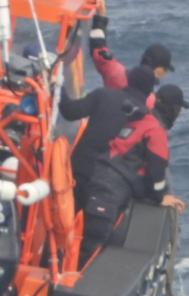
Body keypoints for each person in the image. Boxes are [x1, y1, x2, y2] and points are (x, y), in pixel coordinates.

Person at [77, 83, 186, 265]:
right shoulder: (156, 130)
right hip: (110, 189)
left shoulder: (142, 120)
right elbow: (157, 169)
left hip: (99, 176)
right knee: (94, 243)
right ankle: (69, 288)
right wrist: (160, 197)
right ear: (173, 109)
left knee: (89, 235)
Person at [58, 64, 158, 200]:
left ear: (128, 80)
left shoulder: (103, 94)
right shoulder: (148, 121)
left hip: (79, 169)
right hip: (109, 185)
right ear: (150, 91)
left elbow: (69, 112)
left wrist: (57, 84)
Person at [88, 0, 172, 106]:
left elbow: (97, 48)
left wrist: (101, 17)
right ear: (160, 70)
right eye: (165, 70)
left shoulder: (115, 72)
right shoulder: (150, 102)